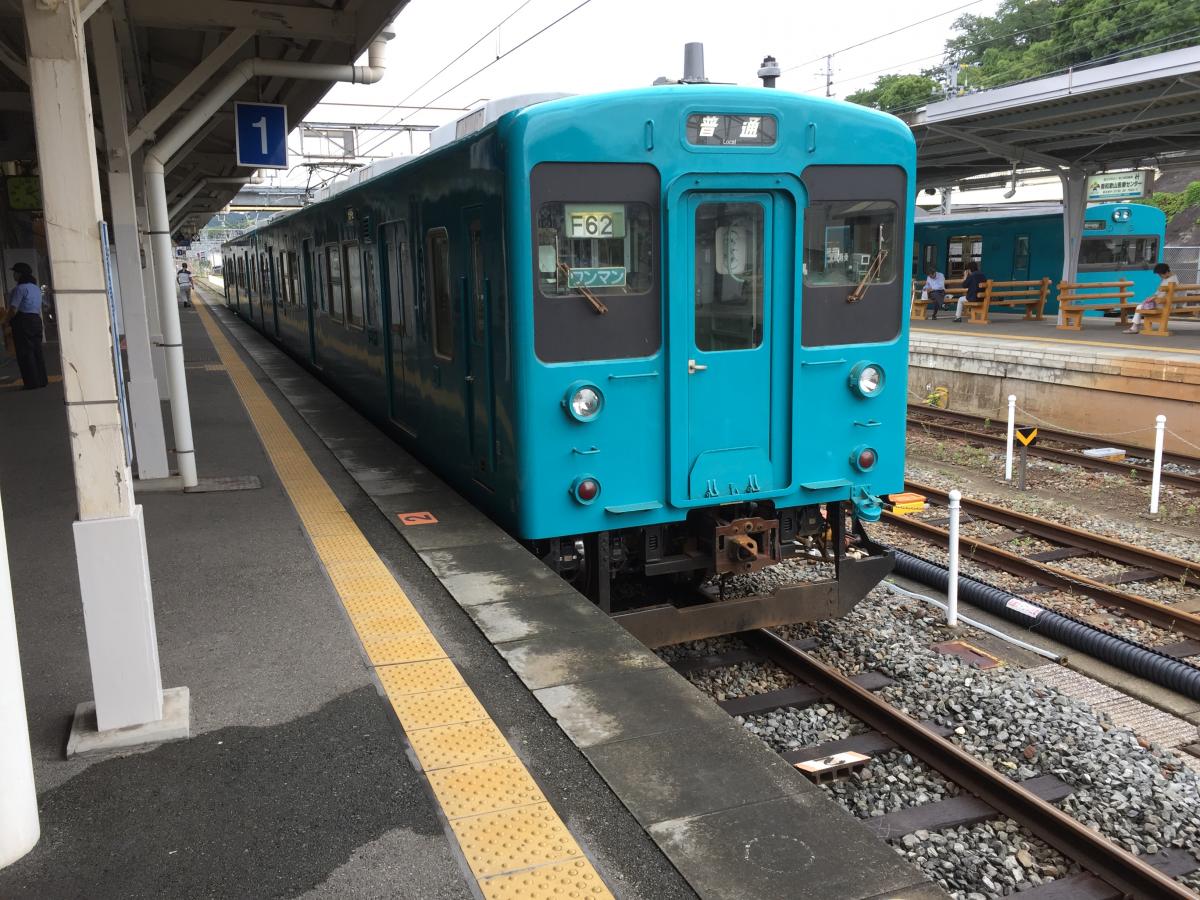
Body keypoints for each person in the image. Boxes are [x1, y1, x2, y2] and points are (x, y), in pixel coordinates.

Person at [1, 261, 48, 389]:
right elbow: (44, 305)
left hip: (23, 322)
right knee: (37, 351)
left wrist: (5, 321)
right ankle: (42, 380)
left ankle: (32, 383)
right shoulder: (36, 288)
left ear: (20, 274)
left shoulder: (19, 289)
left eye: (15, 272)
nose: (14, 275)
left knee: (26, 353)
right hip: (36, 321)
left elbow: (13, 309)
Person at [1125, 262, 1177, 334]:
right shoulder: (1173, 278)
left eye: (1160, 274)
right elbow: (1160, 294)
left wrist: (1152, 299)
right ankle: (1135, 326)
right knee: (1142, 305)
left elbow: (1162, 295)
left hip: (1164, 304)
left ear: (1167, 272)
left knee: (1139, 307)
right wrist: (1152, 297)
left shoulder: (1170, 281)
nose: (1160, 276)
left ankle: (1134, 327)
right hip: (1167, 302)